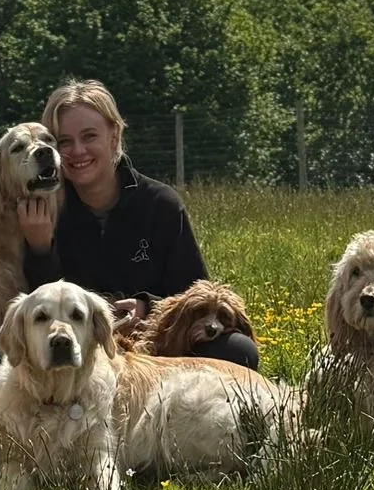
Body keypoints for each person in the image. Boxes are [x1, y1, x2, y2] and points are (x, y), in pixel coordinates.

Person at [18, 79, 259, 370]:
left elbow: (192, 296)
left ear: (114, 136)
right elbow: (30, 310)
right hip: (72, 352)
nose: (77, 151)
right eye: (64, 142)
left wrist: (147, 305)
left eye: (89, 136)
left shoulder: (160, 204)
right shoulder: (39, 208)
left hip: (154, 350)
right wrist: (40, 247)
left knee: (238, 352)